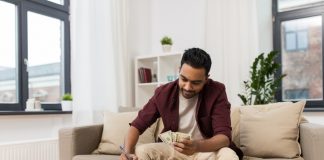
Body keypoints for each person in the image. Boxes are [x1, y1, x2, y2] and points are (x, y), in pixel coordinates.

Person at [120, 48, 243, 160]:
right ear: (179, 71)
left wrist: (197, 146)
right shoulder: (163, 93)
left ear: (206, 79)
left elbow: (224, 138)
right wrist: (127, 153)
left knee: (228, 156)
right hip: (174, 149)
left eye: (196, 83)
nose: (188, 87)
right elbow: (137, 125)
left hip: (206, 150)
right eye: (184, 79)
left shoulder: (217, 91)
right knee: (141, 151)